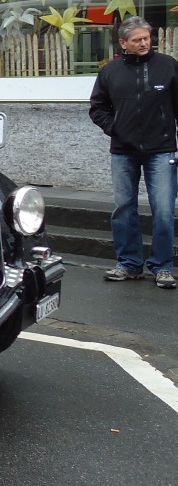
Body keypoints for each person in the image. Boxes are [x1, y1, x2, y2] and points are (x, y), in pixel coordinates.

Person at [89, 16, 178, 288]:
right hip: (123, 151)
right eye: (138, 39)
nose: (144, 42)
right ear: (123, 43)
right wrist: (114, 128)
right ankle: (129, 264)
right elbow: (97, 108)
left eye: (147, 37)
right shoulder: (110, 72)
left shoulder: (168, 66)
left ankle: (163, 267)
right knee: (123, 209)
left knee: (163, 210)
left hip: (162, 150)